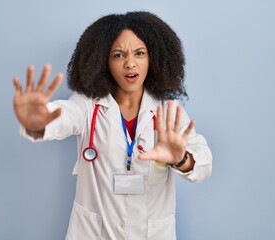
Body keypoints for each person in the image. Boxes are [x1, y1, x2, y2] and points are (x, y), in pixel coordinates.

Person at [13, 11, 212, 240]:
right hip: (93, 233)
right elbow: (64, 116)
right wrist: (38, 120)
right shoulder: (88, 106)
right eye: (118, 55)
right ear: (103, 62)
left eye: (140, 53)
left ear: (154, 58)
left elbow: (203, 161)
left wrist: (181, 159)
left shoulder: (167, 111)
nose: (130, 63)